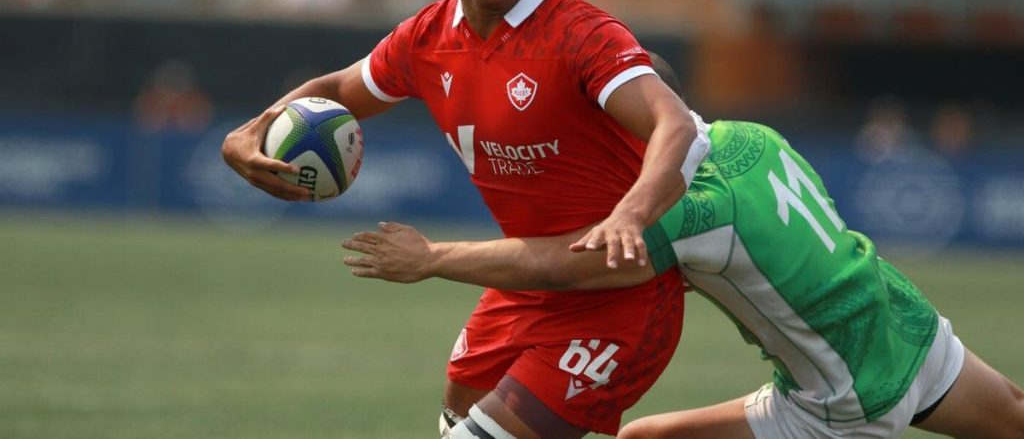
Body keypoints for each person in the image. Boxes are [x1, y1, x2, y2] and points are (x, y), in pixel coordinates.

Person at [222, 0, 711, 437]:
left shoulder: (582, 34)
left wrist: (630, 215)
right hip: (523, 279)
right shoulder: (428, 37)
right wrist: (255, 128)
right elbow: (340, 91)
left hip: (620, 296)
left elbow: (676, 124)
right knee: (456, 417)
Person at [341, 58, 1024, 438]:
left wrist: (431, 259)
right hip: (900, 319)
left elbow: (557, 267)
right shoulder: (752, 136)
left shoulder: (685, 215)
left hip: (840, 399)